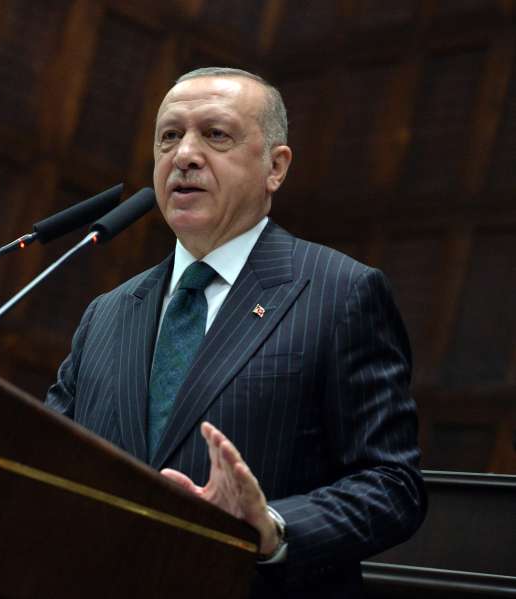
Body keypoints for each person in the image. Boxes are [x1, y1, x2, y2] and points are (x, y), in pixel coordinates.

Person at [45, 67, 426, 597]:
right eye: (170, 136)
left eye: (216, 135)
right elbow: (44, 458)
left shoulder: (341, 293)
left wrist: (271, 527)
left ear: (275, 167)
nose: (185, 155)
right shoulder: (106, 313)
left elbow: (393, 487)